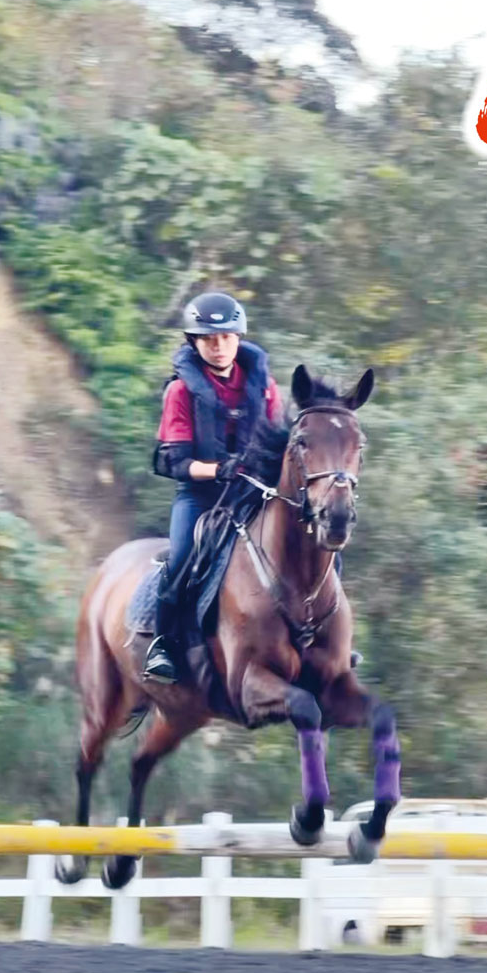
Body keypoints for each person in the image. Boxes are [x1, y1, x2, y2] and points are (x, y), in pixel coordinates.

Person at [143, 290, 282, 683]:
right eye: (208, 340)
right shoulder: (181, 391)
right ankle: (162, 645)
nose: (219, 347)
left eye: (225, 338)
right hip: (201, 495)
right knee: (182, 556)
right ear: (194, 342)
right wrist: (220, 469)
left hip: (253, 493)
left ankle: (322, 635)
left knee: (311, 541)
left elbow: (278, 442)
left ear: (238, 338)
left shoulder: (265, 386)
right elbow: (176, 462)